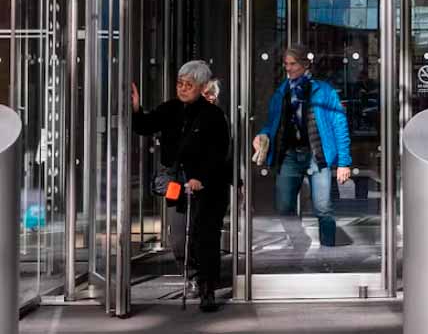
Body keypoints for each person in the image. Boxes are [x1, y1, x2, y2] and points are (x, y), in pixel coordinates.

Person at [131, 61, 231, 312]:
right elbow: (145, 125)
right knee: (178, 238)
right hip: (178, 183)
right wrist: (136, 109)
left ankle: (207, 288)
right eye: (180, 83)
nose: (183, 89)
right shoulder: (170, 109)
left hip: (208, 187)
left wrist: (201, 178)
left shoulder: (213, 115)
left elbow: (219, 153)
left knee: (205, 236)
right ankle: (193, 275)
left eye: (189, 85)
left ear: (202, 87)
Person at [253, 44, 351, 248]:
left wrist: (344, 162)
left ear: (305, 65)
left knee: (323, 208)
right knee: (283, 206)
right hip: (289, 155)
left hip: (316, 155)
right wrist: (263, 134)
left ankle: (328, 251)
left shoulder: (324, 91)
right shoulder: (282, 92)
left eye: (292, 64)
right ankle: (300, 241)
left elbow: (339, 125)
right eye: (285, 64)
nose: (288, 68)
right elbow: (273, 123)